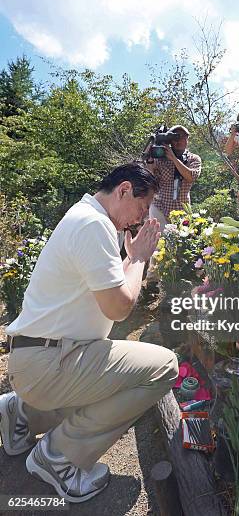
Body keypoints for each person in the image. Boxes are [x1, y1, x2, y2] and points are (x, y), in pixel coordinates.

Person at [0, 163, 179, 503]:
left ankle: (20, 413)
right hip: (50, 362)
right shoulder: (93, 226)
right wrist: (139, 257)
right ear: (123, 190)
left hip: (39, 359)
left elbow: (109, 291)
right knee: (164, 367)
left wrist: (131, 257)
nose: (140, 219)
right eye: (141, 208)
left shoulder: (86, 218)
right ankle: (59, 457)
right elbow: (119, 308)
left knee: (111, 381)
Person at [147, 125, 202, 231]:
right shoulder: (161, 157)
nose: (178, 141)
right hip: (160, 206)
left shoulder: (194, 159)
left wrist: (173, 158)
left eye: (181, 137)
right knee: (159, 242)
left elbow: (191, 177)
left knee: (180, 242)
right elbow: (152, 178)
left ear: (187, 139)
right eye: (175, 137)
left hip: (182, 208)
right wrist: (150, 160)